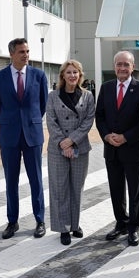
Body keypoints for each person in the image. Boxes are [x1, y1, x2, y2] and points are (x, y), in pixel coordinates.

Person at [0, 38, 48, 240]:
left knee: (36, 180)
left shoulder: (39, 75)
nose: (26, 55)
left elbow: (42, 104)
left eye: (28, 51)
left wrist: (29, 122)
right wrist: (9, 122)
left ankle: (40, 220)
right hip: (9, 137)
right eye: (22, 51)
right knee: (11, 181)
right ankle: (12, 222)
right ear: (11, 54)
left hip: (33, 135)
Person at [95, 51, 139, 246]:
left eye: (126, 64)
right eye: (119, 64)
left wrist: (126, 137)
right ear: (114, 66)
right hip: (111, 149)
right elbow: (99, 116)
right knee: (116, 189)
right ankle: (121, 223)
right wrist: (106, 136)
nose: (122, 68)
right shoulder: (106, 87)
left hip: (133, 148)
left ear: (133, 67)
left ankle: (134, 227)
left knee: (136, 190)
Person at [45, 60, 96, 245]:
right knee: (59, 189)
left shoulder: (88, 96)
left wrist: (72, 140)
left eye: (75, 72)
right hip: (57, 150)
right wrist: (63, 144)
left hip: (80, 148)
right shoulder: (52, 96)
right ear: (63, 75)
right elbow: (50, 121)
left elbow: (89, 121)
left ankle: (75, 224)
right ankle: (63, 228)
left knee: (76, 188)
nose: (72, 75)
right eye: (69, 72)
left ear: (80, 75)